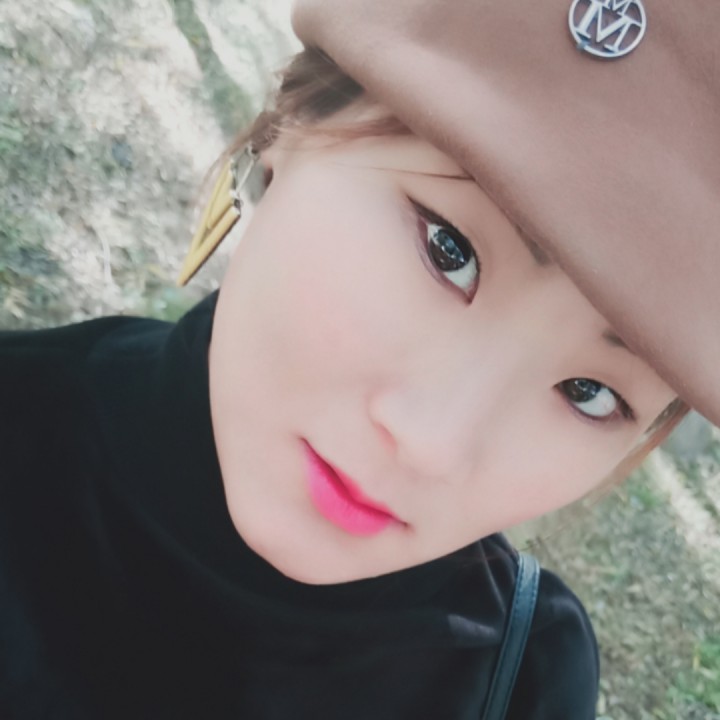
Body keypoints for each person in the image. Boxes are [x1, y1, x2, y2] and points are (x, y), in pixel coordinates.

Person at [1, 0, 716, 717]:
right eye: (449, 251)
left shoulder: (530, 684)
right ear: (294, 122)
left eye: (590, 392)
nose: (432, 444)